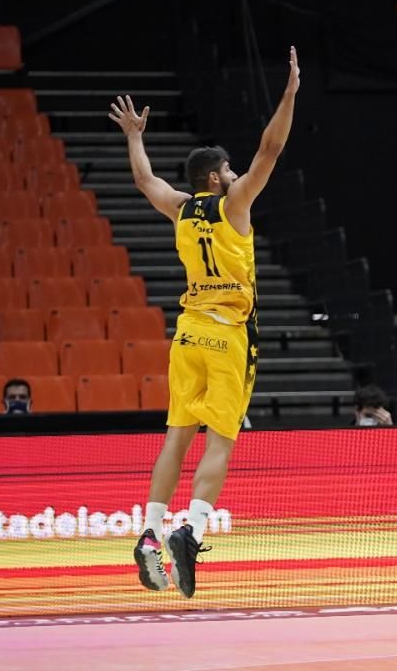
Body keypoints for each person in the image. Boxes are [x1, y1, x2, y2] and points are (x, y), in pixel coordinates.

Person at [109, 46, 300, 598]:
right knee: (221, 439)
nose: (237, 172)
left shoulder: (179, 206)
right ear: (217, 177)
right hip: (226, 335)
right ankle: (190, 529)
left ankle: (149, 530)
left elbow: (145, 181)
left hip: (186, 333)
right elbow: (271, 147)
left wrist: (134, 135)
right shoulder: (233, 203)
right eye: (230, 169)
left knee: (175, 437)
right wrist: (288, 94)